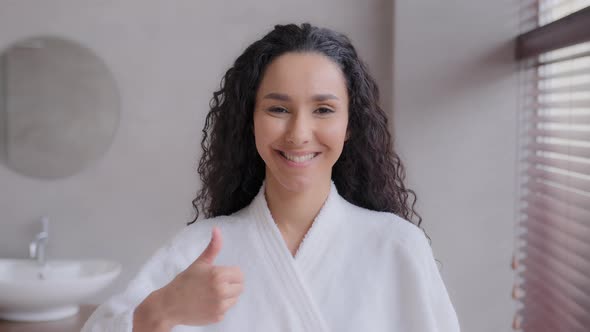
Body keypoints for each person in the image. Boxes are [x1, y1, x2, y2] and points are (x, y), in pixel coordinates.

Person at [82, 23, 461, 332]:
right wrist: (159, 312)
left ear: (350, 125)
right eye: (278, 108)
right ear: (251, 120)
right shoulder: (198, 250)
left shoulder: (397, 247)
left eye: (323, 109)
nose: (298, 133)